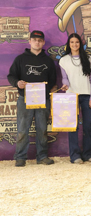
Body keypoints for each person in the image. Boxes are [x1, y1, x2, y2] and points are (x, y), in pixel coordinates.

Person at [7, 30, 57, 167]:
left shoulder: (48, 61)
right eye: (34, 39)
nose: (37, 42)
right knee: (23, 129)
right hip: (24, 99)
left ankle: (42, 156)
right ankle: (20, 157)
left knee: (42, 129)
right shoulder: (20, 59)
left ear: (43, 42)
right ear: (29, 41)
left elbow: (53, 79)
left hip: (43, 100)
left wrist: (45, 92)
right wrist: (17, 83)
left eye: (40, 40)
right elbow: (11, 76)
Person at [59, 33, 91, 164]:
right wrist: (65, 85)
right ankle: (75, 156)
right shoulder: (63, 60)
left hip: (87, 96)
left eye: (77, 42)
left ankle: (88, 154)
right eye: (72, 42)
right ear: (68, 44)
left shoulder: (88, 59)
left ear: (80, 44)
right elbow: (65, 78)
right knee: (73, 127)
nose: (74, 44)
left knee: (87, 126)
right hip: (71, 97)